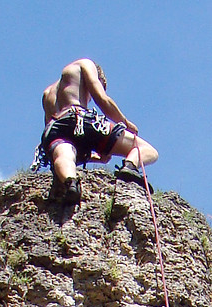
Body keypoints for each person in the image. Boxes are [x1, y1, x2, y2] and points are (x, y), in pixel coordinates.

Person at [32, 58, 159, 203]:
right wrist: (124, 122)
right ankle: (130, 166)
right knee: (147, 150)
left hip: (54, 129)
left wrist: (94, 157)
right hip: (79, 118)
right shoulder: (84, 64)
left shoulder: (47, 93)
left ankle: (70, 182)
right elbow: (102, 99)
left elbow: (61, 140)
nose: (89, 98)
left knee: (64, 154)